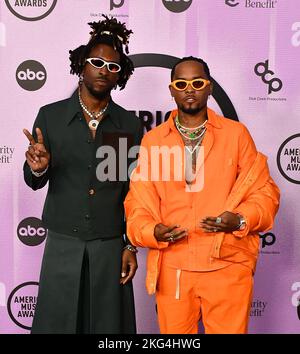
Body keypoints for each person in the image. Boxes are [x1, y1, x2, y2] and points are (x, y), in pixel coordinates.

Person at [124, 56, 280, 334]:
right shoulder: (153, 141)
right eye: (181, 83)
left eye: (197, 82)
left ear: (209, 87)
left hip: (226, 264)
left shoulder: (236, 135)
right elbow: (138, 200)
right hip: (174, 268)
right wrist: (151, 231)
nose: (189, 89)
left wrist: (240, 219)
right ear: (171, 89)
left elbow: (263, 191)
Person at [23, 15, 142, 334]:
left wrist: (130, 246)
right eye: (97, 61)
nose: (105, 69)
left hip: (109, 245)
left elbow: (132, 192)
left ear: (121, 75)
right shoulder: (51, 116)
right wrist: (39, 167)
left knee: (108, 327)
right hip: (64, 242)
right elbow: (33, 175)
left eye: (113, 66)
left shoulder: (129, 125)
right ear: (81, 64)